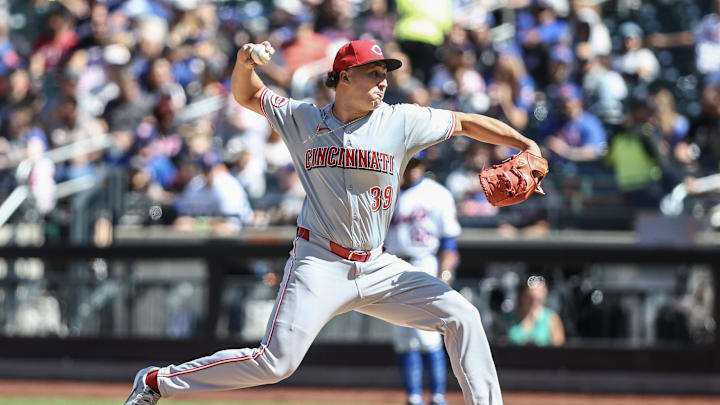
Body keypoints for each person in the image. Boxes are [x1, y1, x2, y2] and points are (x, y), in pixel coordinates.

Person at [124, 39, 544, 405]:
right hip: (319, 262)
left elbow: (467, 122)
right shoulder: (303, 119)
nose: (383, 81)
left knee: (462, 316)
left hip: (378, 266)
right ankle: (158, 381)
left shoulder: (401, 120)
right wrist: (244, 62)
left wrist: (525, 142)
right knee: (276, 363)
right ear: (344, 77)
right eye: (373, 73)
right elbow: (248, 95)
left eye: (385, 73)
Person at [383, 155, 461, 405]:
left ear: (423, 166)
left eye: (416, 164)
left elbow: (449, 242)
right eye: (408, 163)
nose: (411, 170)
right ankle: (413, 397)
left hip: (425, 262)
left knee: (428, 335)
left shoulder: (437, 194)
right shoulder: (385, 189)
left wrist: (445, 275)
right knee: (403, 336)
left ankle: (438, 396)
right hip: (392, 264)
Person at [506, 275, 565, 347]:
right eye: (530, 298)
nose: (534, 304)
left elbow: (559, 348)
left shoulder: (552, 318)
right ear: (522, 296)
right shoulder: (509, 318)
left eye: (538, 300)